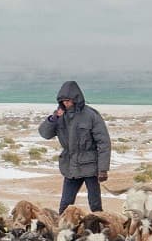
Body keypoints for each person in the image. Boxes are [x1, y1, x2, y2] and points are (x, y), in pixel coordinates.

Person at [39, 81, 111, 213]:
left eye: (68, 100)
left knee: (95, 205)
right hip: (70, 167)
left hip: (90, 166)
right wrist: (53, 118)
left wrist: (103, 169)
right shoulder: (60, 116)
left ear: (76, 99)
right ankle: (63, 226)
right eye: (63, 101)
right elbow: (45, 134)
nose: (66, 103)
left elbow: (104, 143)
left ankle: (99, 225)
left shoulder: (91, 115)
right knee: (65, 206)